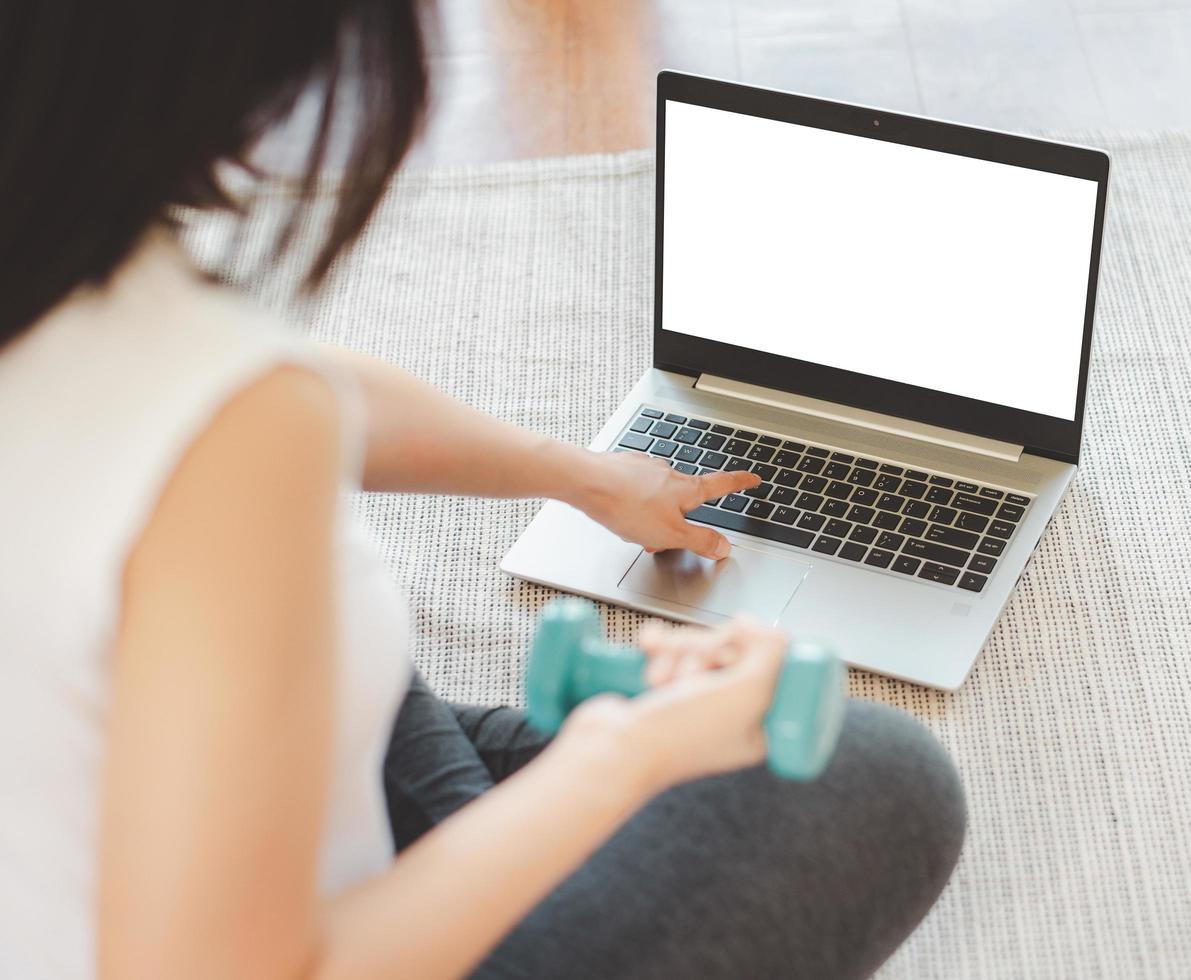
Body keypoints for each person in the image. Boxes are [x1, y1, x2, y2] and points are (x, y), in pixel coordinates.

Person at [0, 2, 966, 978]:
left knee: (369, 673)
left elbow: (266, 382)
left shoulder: (54, 231)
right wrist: (617, 757)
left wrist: (586, 475)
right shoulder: (227, 431)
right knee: (877, 774)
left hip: (91, 799)